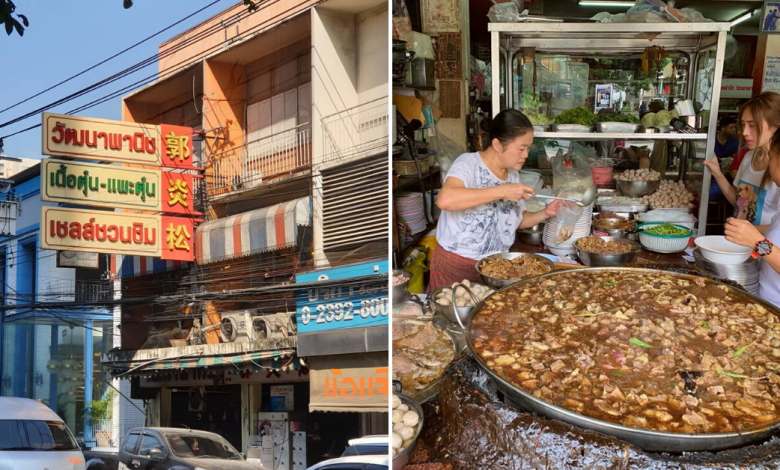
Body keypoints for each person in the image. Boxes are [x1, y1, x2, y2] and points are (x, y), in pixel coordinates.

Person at [430, 109, 562, 293]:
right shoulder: (468, 164)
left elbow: (518, 220)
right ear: (498, 145)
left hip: (496, 268)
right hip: (457, 266)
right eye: (521, 148)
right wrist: (501, 191)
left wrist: (545, 213)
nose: (525, 155)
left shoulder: (512, 174)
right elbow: (446, 200)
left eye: (529, 148)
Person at [703, 92, 780, 226]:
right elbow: (739, 201)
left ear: (775, 126)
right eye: (743, 124)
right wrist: (717, 172)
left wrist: (748, 233)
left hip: (763, 245)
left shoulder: (777, 168)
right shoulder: (748, 157)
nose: (744, 132)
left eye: (752, 125)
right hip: (739, 244)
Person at [724, 129, 780, 308]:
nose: (769, 165)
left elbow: (764, 244)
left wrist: (757, 242)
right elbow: (776, 228)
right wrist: (741, 230)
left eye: (771, 158)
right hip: (764, 297)